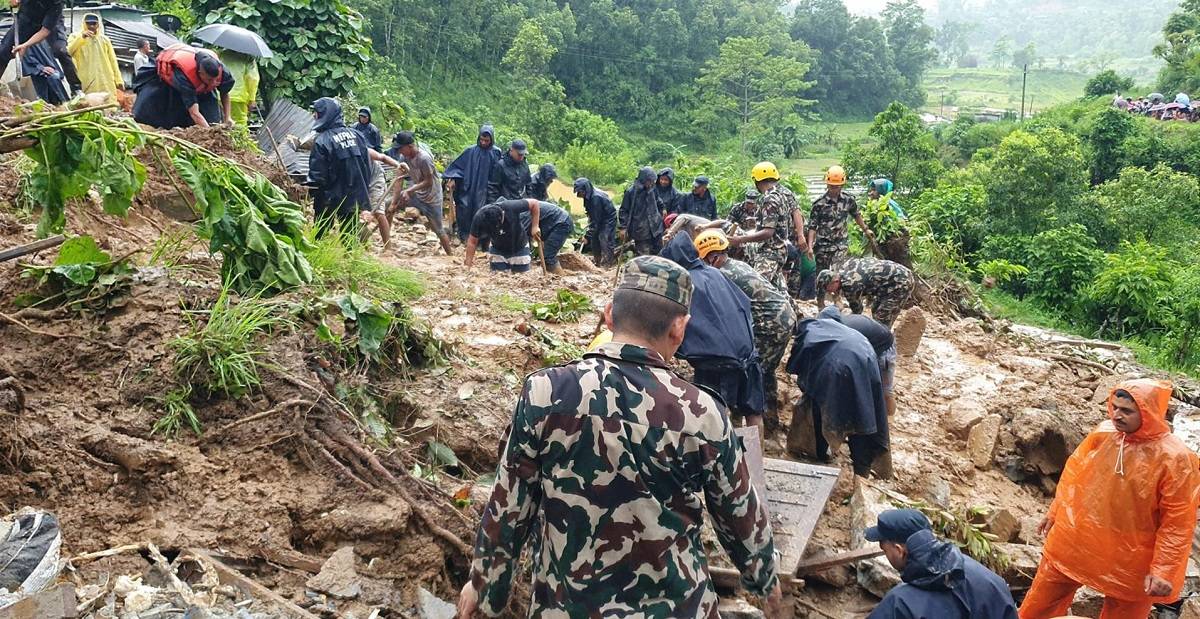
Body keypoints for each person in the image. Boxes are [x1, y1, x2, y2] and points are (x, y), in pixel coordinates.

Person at [458, 256, 779, 618]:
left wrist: (485, 587)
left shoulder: (545, 393)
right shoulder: (702, 413)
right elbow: (740, 518)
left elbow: (509, 506)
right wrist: (764, 580)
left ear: (609, 314)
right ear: (680, 327)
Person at [1020, 379, 1200, 619]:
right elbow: (1074, 476)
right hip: (1078, 537)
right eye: (1114, 407)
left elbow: (1177, 521)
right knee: (1039, 604)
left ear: (1149, 412)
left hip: (1133, 556)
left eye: (1126, 411)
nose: (1117, 415)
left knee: (1124, 613)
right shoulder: (1103, 434)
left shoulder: (1177, 459)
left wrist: (1163, 570)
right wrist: (1055, 512)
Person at [660, 233, 766, 436]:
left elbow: (676, 325)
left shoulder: (686, 284)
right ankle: (755, 465)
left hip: (716, 363)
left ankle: (722, 464)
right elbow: (744, 305)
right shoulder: (716, 273)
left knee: (714, 415)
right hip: (748, 355)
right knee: (753, 414)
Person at [695, 230, 796, 432]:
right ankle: (769, 423)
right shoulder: (738, 265)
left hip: (769, 325)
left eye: (704, 261)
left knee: (748, 373)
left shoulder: (723, 275)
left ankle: (741, 425)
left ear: (713, 258)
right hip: (783, 320)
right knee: (764, 372)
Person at [785, 313, 890, 478]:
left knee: (818, 408)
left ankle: (820, 454)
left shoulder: (805, 332)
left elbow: (798, 369)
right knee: (862, 413)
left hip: (839, 365)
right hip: (866, 357)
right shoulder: (834, 327)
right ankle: (862, 471)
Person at [865, 509, 1018, 619]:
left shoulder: (899, 605)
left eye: (883, 548)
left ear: (899, 551)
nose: (883, 552)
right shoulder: (990, 581)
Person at [729, 161, 807, 291]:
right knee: (780, 292)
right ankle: (795, 311)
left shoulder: (769, 200)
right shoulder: (781, 195)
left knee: (755, 288)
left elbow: (768, 232)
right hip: (779, 249)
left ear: (757, 181)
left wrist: (740, 240)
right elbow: (777, 222)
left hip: (770, 251)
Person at [306, 97, 371, 238]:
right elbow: (367, 168)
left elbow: (318, 177)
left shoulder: (322, 141)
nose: (313, 115)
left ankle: (319, 259)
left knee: (320, 235)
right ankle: (351, 259)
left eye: (315, 112)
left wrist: (309, 192)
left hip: (328, 198)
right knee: (350, 238)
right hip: (353, 197)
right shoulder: (357, 136)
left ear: (324, 114)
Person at [818, 306, 898, 418]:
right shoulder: (839, 326)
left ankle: (890, 421)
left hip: (885, 348)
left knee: (885, 392)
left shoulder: (846, 332)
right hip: (871, 343)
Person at [131, 43, 234, 129]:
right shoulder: (184, 75)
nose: (213, 83)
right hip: (167, 83)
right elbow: (194, 112)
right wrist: (209, 134)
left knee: (212, 119)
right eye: (210, 79)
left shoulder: (222, 71)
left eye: (215, 79)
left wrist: (227, 117)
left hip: (203, 89)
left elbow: (224, 91)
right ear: (200, 72)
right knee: (163, 118)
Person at [0, 0, 82, 95]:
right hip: (26, 18)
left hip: (51, 23)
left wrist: (25, 45)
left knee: (61, 51)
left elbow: (44, 31)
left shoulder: (57, 3)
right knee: (3, 52)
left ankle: (76, 89)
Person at [390, 130, 453, 255]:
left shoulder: (424, 159)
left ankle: (450, 256)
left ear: (410, 146)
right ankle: (387, 246)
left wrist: (408, 190)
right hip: (417, 194)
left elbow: (428, 182)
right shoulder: (404, 157)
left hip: (432, 198)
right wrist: (393, 202)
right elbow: (399, 179)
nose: (399, 151)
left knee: (438, 230)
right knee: (388, 207)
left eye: (401, 148)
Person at [807, 164, 875, 275]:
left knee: (837, 273)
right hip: (823, 246)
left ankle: (837, 293)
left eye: (837, 186)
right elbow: (812, 226)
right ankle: (822, 293)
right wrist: (810, 246)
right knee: (822, 276)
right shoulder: (819, 204)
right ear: (827, 184)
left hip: (840, 244)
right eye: (832, 186)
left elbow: (856, 215)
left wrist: (866, 229)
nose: (834, 189)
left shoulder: (849, 199)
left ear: (842, 185)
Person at [443, 125, 501, 243]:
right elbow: (457, 166)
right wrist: (453, 179)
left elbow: (500, 171)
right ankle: (464, 236)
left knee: (483, 213)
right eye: (482, 139)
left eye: (487, 141)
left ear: (491, 140)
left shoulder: (496, 153)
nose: (483, 143)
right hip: (468, 188)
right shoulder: (470, 151)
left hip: (486, 190)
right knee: (465, 210)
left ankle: (481, 241)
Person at [816, 258, 914, 327]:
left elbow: (857, 311)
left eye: (827, 288)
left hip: (900, 283)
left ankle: (883, 347)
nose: (828, 291)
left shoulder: (850, 285)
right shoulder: (845, 267)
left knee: (881, 318)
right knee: (875, 309)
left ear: (836, 281)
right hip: (890, 282)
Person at [464, 198, 541, 272]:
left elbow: (534, 203)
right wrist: (467, 265)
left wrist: (535, 226)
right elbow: (472, 242)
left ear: (503, 214)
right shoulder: (480, 217)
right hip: (497, 249)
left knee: (522, 279)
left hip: (519, 246)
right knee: (499, 278)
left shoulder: (511, 207)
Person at [66, 14, 120, 96]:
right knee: (87, 103)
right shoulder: (74, 36)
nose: (91, 26)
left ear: (98, 25)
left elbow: (113, 60)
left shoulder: (104, 39)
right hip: (85, 78)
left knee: (107, 101)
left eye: (94, 24)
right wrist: (81, 38)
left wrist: (118, 79)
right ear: (84, 24)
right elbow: (69, 51)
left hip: (104, 78)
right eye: (89, 24)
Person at [618, 166, 666, 256]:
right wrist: (623, 228)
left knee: (659, 252)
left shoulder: (652, 187)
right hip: (640, 229)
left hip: (655, 226)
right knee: (644, 255)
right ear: (644, 179)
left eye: (653, 181)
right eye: (650, 181)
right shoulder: (631, 192)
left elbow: (657, 198)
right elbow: (624, 210)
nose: (651, 184)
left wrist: (662, 207)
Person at [518, 201, 572, 274]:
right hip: (552, 223)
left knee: (548, 258)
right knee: (545, 256)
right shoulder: (518, 211)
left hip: (561, 223)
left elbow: (521, 239)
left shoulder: (521, 216)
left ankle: (563, 280)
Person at [574, 177, 616, 267]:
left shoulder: (595, 198)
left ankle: (606, 266)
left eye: (580, 191)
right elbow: (592, 215)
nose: (578, 194)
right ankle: (597, 263)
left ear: (585, 189)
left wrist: (587, 236)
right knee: (595, 240)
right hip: (598, 218)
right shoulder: (588, 196)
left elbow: (596, 220)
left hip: (607, 220)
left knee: (604, 240)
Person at [487, 138, 531, 203]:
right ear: (511, 150)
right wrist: (495, 206)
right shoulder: (500, 165)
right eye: (519, 154)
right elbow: (493, 189)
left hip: (522, 203)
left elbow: (529, 185)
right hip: (506, 204)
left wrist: (530, 201)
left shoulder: (525, 165)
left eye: (523, 154)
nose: (521, 156)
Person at [222, 50, 259, 125]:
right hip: (238, 96)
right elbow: (252, 78)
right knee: (239, 124)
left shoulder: (222, 54)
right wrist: (252, 98)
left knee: (221, 123)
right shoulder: (248, 57)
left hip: (221, 93)